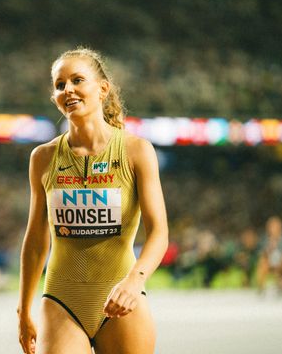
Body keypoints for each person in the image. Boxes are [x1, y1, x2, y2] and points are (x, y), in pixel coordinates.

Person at [17, 47, 169, 354]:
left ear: (102, 89)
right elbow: (35, 240)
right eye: (60, 85)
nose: (67, 89)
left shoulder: (136, 151)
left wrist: (133, 282)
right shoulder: (43, 158)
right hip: (61, 301)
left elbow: (159, 233)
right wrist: (23, 310)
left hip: (121, 298)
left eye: (77, 80)